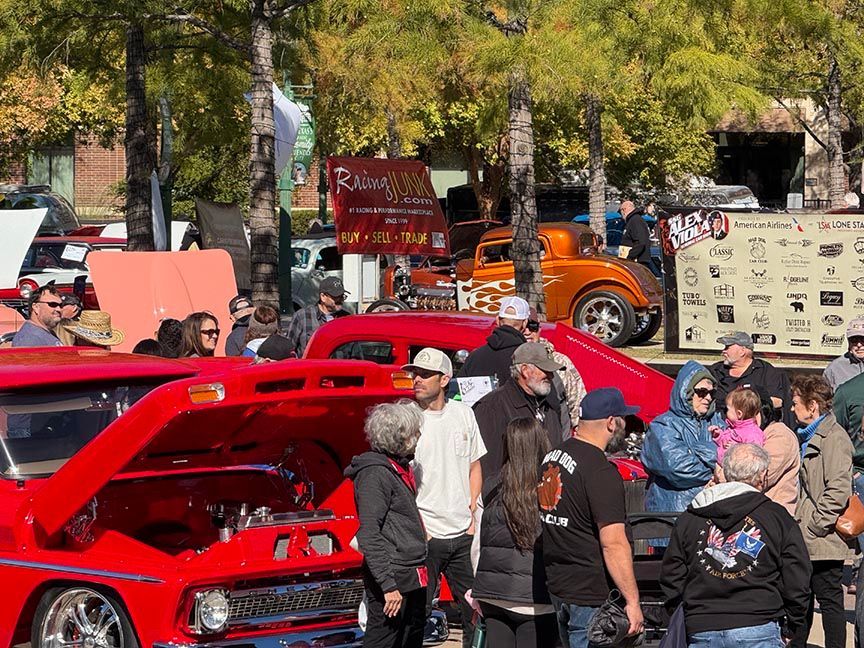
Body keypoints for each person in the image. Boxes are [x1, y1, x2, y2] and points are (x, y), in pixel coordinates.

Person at [660, 443, 811, 648]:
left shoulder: (690, 519)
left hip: (704, 626)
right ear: (762, 476)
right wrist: (794, 622)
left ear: (726, 473)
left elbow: (672, 574)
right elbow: (797, 575)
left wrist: (683, 613)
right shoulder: (776, 517)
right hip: (757, 624)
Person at [540, 388, 644, 648]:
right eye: (623, 419)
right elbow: (613, 543)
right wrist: (633, 602)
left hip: (558, 584)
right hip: (590, 594)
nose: (625, 426)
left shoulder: (552, 456)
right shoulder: (600, 470)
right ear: (611, 423)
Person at [402, 348, 485, 648]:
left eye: (425, 374)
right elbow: (401, 478)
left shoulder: (463, 414)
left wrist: (472, 513)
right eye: (415, 374)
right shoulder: (409, 419)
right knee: (416, 613)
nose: (417, 380)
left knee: (474, 612)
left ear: (445, 379)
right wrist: (418, 528)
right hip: (426, 534)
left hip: (463, 532)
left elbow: (475, 465)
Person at [344, 402, 428, 648]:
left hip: (412, 571)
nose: (418, 436)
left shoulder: (397, 468)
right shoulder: (375, 474)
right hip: (393, 575)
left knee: (409, 638)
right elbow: (369, 533)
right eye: (414, 432)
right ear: (400, 437)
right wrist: (388, 585)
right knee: (384, 640)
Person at [471, 418, 558, 648]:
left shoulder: (490, 487)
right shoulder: (551, 489)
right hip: (536, 598)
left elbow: (477, 547)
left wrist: (481, 587)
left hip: (492, 595)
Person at [788, 375, 853, 648]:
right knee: (801, 599)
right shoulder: (809, 435)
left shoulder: (834, 437)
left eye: (796, 403)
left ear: (812, 405)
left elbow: (838, 489)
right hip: (806, 535)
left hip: (822, 536)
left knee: (828, 600)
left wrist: (816, 525)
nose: (792, 408)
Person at [473, 342, 565, 490]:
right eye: (545, 370)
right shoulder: (493, 407)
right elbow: (487, 470)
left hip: (546, 496)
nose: (551, 375)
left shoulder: (549, 406)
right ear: (525, 370)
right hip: (511, 499)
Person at [641, 361, 717, 516]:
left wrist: (696, 452)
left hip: (711, 512)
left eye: (712, 393)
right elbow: (678, 469)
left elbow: (734, 460)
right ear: (687, 392)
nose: (708, 398)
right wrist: (717, 472)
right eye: (702, 392)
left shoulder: (717, 422)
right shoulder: (663, 425)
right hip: (672, 513)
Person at [710, 332, 794, 429]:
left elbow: (777, 401)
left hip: (755, 430)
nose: (723, 351)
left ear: (742, 351)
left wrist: (744, 407)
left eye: (727, 347)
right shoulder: (715, 371)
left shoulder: (765, 371)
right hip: (719, 429)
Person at [526, 308, 586, 429]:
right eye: (523, 327)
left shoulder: (561, 362)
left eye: (532, 326)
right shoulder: (508, 362)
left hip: (559, 437)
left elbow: (578, 407)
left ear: (539, 329)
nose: (527, 332)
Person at [459, 296, 529, 388]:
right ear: (525, 323)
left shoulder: (475, 357)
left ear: (497, 320)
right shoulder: (529, 359)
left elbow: (458, 390)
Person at [286, 276, 349, 357]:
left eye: (342, 296)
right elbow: (289, 349)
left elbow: (354, 351)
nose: (340, 300)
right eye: (336, 296)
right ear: (323, 297)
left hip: (339, 365)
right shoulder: (302, 316)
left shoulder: (346, 318)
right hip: (310, 365)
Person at [709, 387, 764, 465]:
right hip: (720, 464)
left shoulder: (752, 434)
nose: (725, 412)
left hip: (736, 470)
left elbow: (754, 455)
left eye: (728, 409)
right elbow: (726, 443)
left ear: (739, 414)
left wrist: (737, 449)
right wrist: (719, 435)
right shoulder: (734, 428)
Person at [823, 316, 864, 390]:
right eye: (854, 340)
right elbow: (824, 395)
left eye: (863, 339)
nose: (859, 345)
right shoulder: (834, 368)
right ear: (849, 342)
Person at [619, 200, 655, 272]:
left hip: (637, 262)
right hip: (634, 262)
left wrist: (629, 257)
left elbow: (641, 242)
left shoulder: (635, 220)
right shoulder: (633, 220)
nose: (621, 214)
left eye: (621, 211)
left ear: (624, 210)